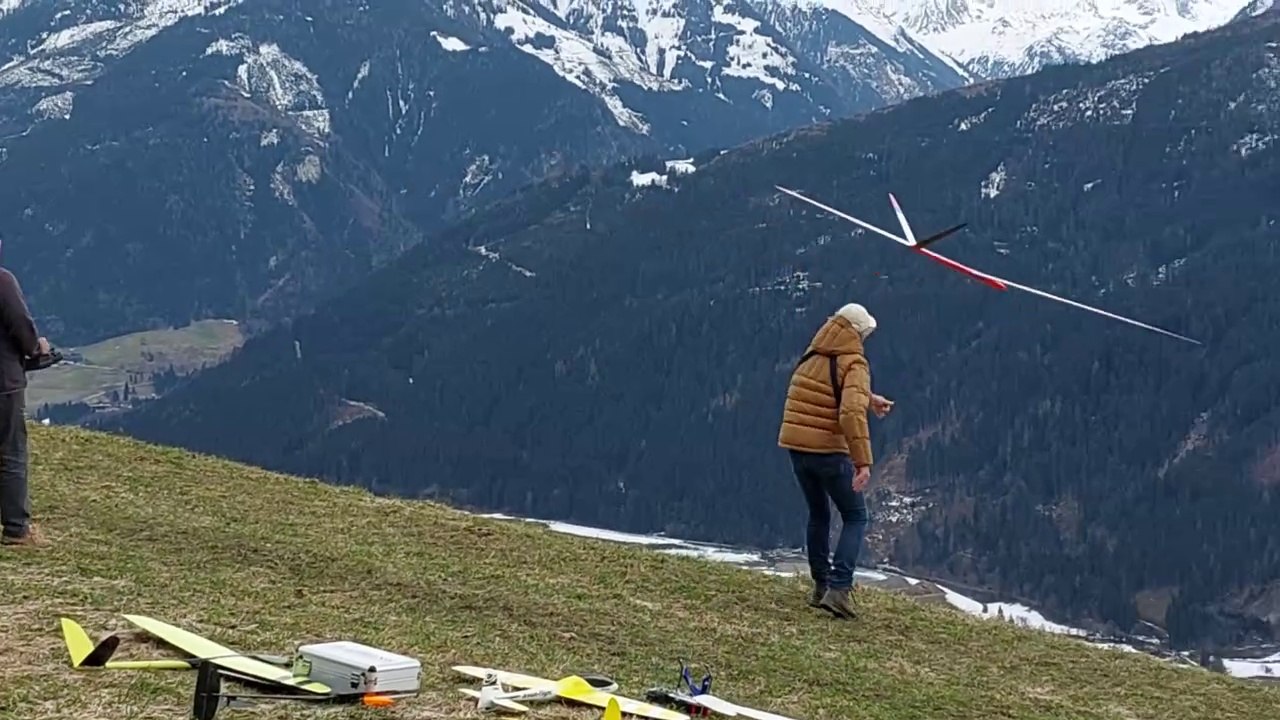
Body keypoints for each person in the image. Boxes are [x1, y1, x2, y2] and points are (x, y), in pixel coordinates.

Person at [777, 302, 892, 618]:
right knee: (855, 516)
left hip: (798, 450)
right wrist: (863, 461)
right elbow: (849, 412)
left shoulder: (813, 355)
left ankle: (820, 585)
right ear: (857, 332)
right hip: (829, 451)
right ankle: (839, 590)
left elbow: (829, 388)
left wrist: (869, 398)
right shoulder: (854, 362)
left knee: (818, 514)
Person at [0, 251, 46, 547]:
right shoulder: (2, 281)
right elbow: (20, 323)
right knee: (11, 452)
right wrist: (36, 348)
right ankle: (17, 529)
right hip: (3, 383)